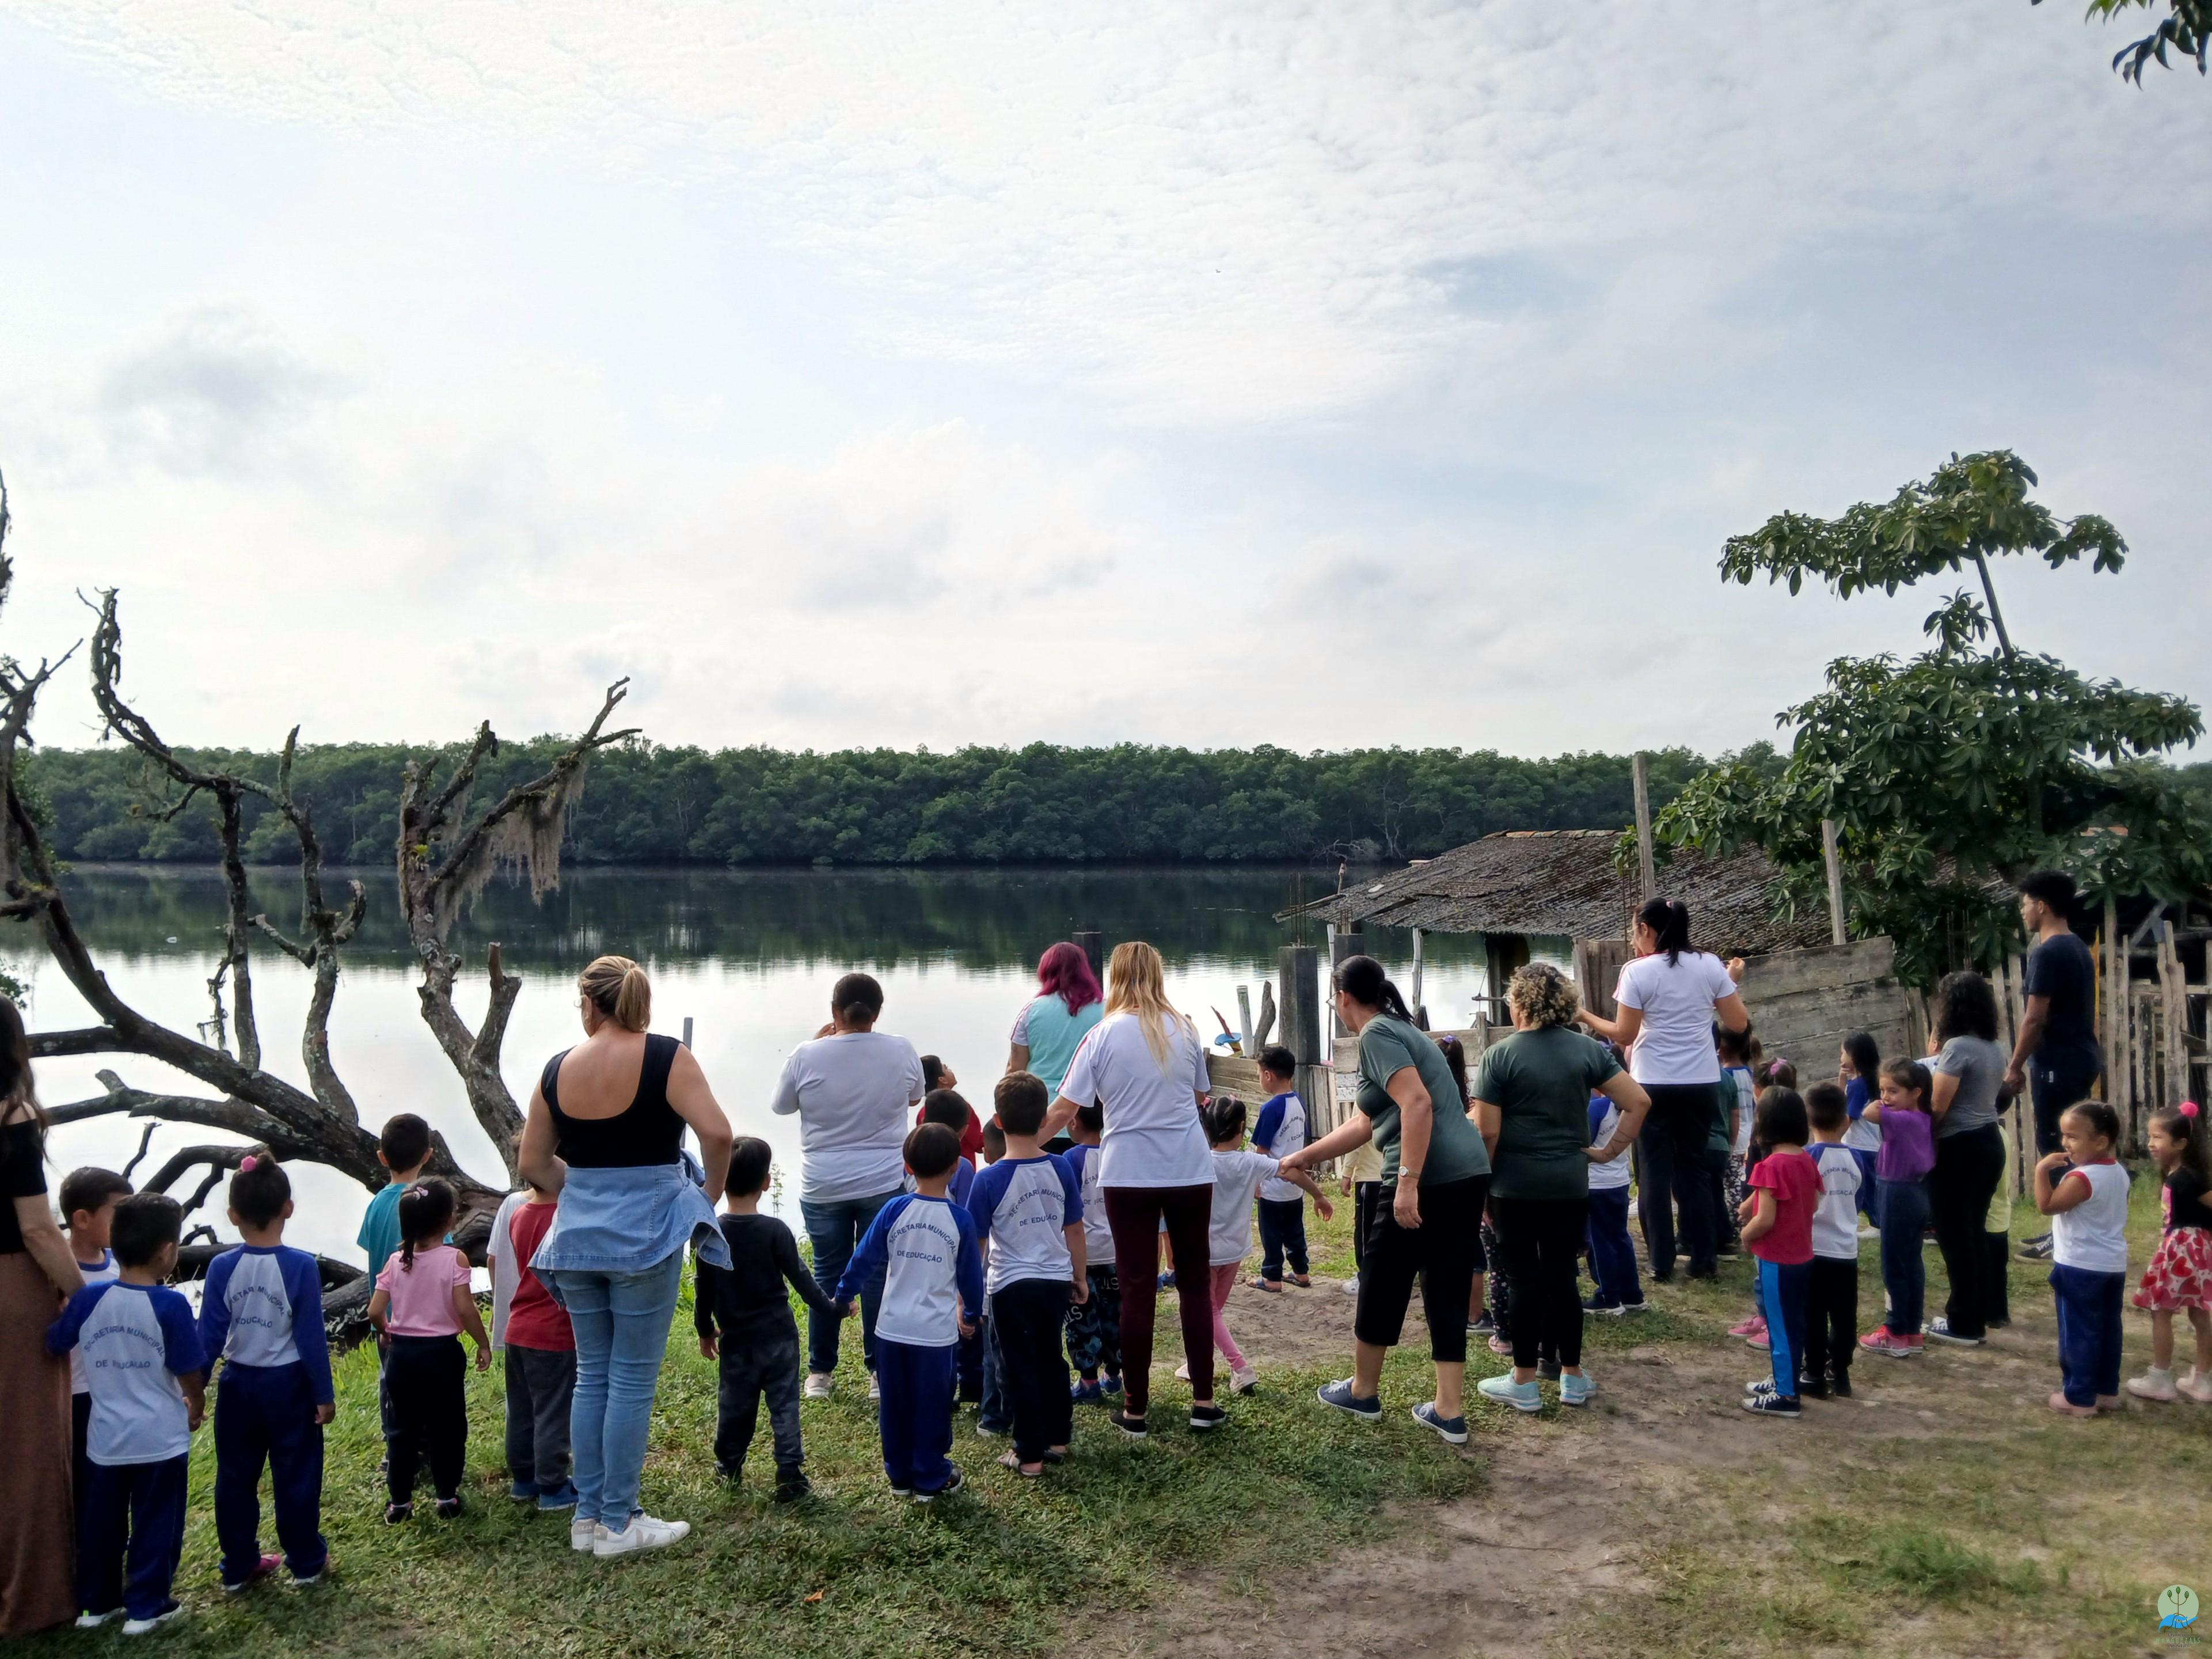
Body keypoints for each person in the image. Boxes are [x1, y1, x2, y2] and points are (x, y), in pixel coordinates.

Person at [522, 954, 732, 1559]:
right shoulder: (666, 1056)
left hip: (576, 1239)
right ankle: (620, 1522)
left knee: (593, 1374)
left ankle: (587, 1518)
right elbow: (717, 1134)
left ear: (590, 1003)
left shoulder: (556, 1069)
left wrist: (587, 1190)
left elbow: (533, 1164)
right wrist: (703, 1198)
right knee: (632, 1380)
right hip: (645, 1235)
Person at [1285, 955, 1495, 1441]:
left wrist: (1406, 1181)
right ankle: (1448, 1410)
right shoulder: (1403, 1029)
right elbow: (1366, 1121)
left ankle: (1362, 1391)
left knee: (1381, 1276)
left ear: (1342, 998)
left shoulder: (1376, 1034)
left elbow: (1416, 1103)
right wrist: (1304, 1155)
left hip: (1430, 1176)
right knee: (1446, 1282)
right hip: (1466, 1172)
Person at [1040, 940, 1218, 1440]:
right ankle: (1203, 1400)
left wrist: (1021, 1148)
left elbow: (1063, 1109)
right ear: (1157, 976)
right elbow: (1199, 1093)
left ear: (1115, 977)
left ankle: (1136, 1409)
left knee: (1137, 1289)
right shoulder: (1185, 1028)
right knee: (1195, 1284)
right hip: (1189, 1168)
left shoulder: (1101, 1036)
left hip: (1128, 1174)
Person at [1469, 964, 1651, 1418]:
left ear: (1522, 1002)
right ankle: (1572, 1376)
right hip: (1569, 1185)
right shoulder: (1587, 1050)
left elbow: (1488, 1134)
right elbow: (1639, 1101)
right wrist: (1609, 1152)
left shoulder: (1499, 1055)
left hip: (1513, 1187)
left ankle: (1524, 1382)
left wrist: (1482, 1190)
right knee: (1562, 1277)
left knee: (1522, 1281)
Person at [47, 1193, 204, 1636]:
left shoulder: (88, 1299)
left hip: (105, 1439)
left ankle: (96, 1603)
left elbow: (56, 1341)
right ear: (167, 1252)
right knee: (156, 1521)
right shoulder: (171, 1305)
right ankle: (146, 1605)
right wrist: (197, 1402)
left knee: (102, 1524)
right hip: (159, 1439)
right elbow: (188, 1369)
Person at [771, 971, 925, 1402]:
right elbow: (916, 1096)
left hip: (823, 1183)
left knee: (826, 1271)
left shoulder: (806, 1054)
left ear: (835, 1013)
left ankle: (820, 1373)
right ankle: (879, 1373)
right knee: (878, 1274)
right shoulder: (900, 1049)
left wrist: (816, 1044)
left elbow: (781, 1105)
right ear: (877, 1013)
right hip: (883, 1179)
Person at [1577, 898, 1750, 1282]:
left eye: (1633, 930)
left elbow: (1624, 1034)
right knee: (1696, 1169)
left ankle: (1661, 1260)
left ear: (1644, 928)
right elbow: (1737, 1022)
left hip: (1652, 1080)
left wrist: (1585, 1015)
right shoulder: (1708, 963)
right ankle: (1703, 1258)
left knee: (1654, 1170)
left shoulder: (1637, 971)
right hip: (1702, 1081)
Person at [199, 1153, 333, 1591]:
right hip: (289, 1385)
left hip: (237, 1384)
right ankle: (306, 1560)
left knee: (235, 1477)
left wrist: (196, 1389)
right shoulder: (299, 1266)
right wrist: (323, 1394)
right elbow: (311, 1337)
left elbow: (209, 1336)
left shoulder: (221, 1267)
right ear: (288, 1208)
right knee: (296, 1473)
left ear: (233, 1215)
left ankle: (238, 1565)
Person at [837, 1123, 983, 1502]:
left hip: (890, 1330)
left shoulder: (893, 1208)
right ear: (957, 1166)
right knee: (932, 1404)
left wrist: (844, 1293)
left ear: (907, 1165)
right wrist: (971, 1315)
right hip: (935, 1335)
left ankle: (899, 1474)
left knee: (895, 1404)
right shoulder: (960, 1220)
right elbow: (970, 1278)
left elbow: (863, 1257)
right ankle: (930, 1477)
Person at [0, 996, 85, 1641]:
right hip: (10, 1289)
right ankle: (30, 1602)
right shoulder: (13, 1115)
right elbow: (36, 1227)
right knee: (27, 1447)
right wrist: (83, 1294)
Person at [695, 1136, 831, 1501]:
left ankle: (729, 1465)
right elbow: (803, 1280)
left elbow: (703, 1288)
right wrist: (832, 1307)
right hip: (779, 1338)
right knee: (784, 1406)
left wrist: (706, 1330)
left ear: (722, 1180)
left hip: (736, 1340)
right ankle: (789, 1474)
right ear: (766, 1182)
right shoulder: (776, 1231)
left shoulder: (711, 1232)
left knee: (734, 1406)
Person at [969, 1073, 1086, 1474]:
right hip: (1055, 1279)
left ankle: (1028, 1453)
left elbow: (979, 1245)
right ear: (1043, 1121)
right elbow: (1074, 1228)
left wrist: (969, 1294)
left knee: (1016, 1365)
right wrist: (1080, 1276)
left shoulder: (987, 1178)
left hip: (1009, 1284)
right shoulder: (1061, 1167)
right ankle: (1058, 1438)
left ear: (998, 1122)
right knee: (1052, 1358)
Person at [368, 1179, 489, 1524]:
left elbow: (376, 1310)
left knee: (401, 1427)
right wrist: (482, 1342)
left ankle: (400, 1503)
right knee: (447, 1425)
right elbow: (465, 1310)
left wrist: (386, 1332)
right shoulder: (455, 1258)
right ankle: (446, 1496)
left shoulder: (395, 1261)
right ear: (449, 1221)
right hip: (441, 1354)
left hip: (402, 1356)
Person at [1195, 1094, 1331, 1394]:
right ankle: (1196, 1361)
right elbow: (1292, 1172)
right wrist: (1319, 1195)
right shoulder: (1252, 1162)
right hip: (1235, 1251)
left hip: (1203, 1253)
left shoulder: (1198, 1161)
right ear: (1243, 1127)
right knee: (1212, 1309)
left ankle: (1240, 1367)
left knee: (1207, 1311)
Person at [2006, 871, 2102, 1260]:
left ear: (2041, 905)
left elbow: (2034, 1018)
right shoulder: (2077, 945)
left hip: (2058, 1063)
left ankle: (2063, 1233)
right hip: (2080, 1057)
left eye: (2026, 902)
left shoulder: (2047, 951)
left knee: (2059, 1146)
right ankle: (2062, 1229)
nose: (2023, 910)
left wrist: (2015, 1066)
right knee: (2074, 1145)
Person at [1925, 971, 2010, 1347]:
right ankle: (1976, 1313)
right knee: (1974, 1232)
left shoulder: (1957, 1047)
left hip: (1960, 1146)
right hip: (1989, 1141)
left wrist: (1915, 1138)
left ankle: (1963, 1320)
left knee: (1955, 1235)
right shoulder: (1994, 1047)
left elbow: (1938, 1106)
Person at [2034, 1100, 2131, 1417]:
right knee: (2107, 1329)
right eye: (2064, 1135)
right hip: (2112, 1265)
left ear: (2100, 1142)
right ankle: (2105, 1390)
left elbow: (2048, 1205)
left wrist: (2041, 1171)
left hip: (2079, 1266)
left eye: (2073, 1137)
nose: (2065, 1143)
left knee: (2078, 1331)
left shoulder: (2082, 1178)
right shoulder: (2118, 1172)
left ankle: (2078, 1396)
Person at [59, 1167, 131, 1562]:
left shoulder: (120, 1264)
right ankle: (80, 1556)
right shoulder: (56, 1270)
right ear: (82, 1218)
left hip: (114, 1391)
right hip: (74, 1394)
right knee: (80, 1481)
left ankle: (111, 1549)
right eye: (118, 1211)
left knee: (113, 1479)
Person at [1738, 1088, 1823, 1419]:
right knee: (1793, 1324)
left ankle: (1786, 1395)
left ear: (1764, 1124)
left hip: (1776, 1260)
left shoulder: (1769, 1166)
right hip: (1802, 1256)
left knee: (1779, 1327)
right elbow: (1813, 1204)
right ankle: (1783, 1380)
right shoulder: (1806, 1160)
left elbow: (1765, 1220)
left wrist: (1746, 1235)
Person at [500, 1172, 577, 1512]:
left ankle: (523, 1479)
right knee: (552, 1412)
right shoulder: (567, 1215)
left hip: (518, 1325)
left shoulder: (519, 1213)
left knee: (522, 1410)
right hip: (554, 1329)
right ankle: (553, 1486)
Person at [2124, 1102, 2212, 1403]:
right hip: (2194, 1250)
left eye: (2158, 1137)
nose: (2150, 1143)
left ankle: (2161, 1377)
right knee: (2199, 1313)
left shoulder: (2187, 1179)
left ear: (2181, 1143)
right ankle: (2204, 1380)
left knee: (2160, 1310)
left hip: (2182, 1249)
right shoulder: (2182, 1175)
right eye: (2150, 1136)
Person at [358, 1113, 434, 1457]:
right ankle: (425, 1446)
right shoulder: (425, 1203)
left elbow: (371, 1251)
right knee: (426, 1386)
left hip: (386, 1316)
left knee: (391, 1382)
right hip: (426, 1319)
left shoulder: (375, 1205)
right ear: (428, 1155)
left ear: (382, 1157)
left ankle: (395, 1450)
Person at [1858, 1060, 1936, 1359]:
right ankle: (1912, 1330)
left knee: (1893, 1264)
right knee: (1911, 1262)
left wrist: (1880, 1103)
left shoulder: (1901, 1119)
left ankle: (1895, 1331)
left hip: (1897, 1191)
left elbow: (1869, 1113)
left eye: (1893, 1091)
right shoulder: (1924, 1119)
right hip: (1916, 1191)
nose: (1886, 1097)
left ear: (1916, 1092)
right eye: (1882, 1090)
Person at [1801, 1083, 1863, 1399]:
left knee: (1813, 1314)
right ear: (1846, 1120)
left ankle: (1813, 1372)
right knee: (1844, 1315)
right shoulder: (1856, 1159)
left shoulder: (1807, 1157)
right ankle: (1840, 1371)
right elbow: (1859, 1198)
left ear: (1808, 1121)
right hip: (1845, 1250)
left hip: (1813, 1249)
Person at [1061, 1103, 1122, 1404]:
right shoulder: (1119, 1154)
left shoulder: (1070, 1160)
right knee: (1116, 1316)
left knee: (1081, 1320)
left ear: (1073, 1122)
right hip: (1116, 1252)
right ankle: (1114, 1375)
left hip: (1082, 1257)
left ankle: (1088, 1382)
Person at [1007, 940, 1105, 1104]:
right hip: (1092, 1110)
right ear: (1085, 971)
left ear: (1046, 971)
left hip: (1040, 1109)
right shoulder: (1108, 1010)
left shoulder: (1030, 1012)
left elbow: (1015, 1071)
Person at [1250, 1045, 1313, 1290]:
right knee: (1295, 1232)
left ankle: (1272, 1277)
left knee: (1272, 1236)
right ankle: (1301, 1272)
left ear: (1268, 1075)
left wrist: (1255, 1183)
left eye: (1259, 1074)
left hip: (1273, 1188)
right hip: (1295, 1187)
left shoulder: (1271, 1108)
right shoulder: (1299, 1103)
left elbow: (1261, 1153)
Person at [1583, 1087, 1644, 1316]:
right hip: (1619, 1180)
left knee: (1600, 1241)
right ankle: (1632, 1294)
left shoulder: (1597, 1106)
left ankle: (1608, 1297)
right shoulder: (1631, 1108)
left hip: (1596, 1182)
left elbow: (1584, 1139)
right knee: (1620, 1237)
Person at [1839, 1031, 1884, 1227]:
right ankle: (1874, 1221)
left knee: (1866, 1188)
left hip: (1861, 1146)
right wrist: (1842, 1080)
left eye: (1843, 1053)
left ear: (1855, 1056)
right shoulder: (1862, 1080)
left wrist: (1832, 1140)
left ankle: (1878, 1223)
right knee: (1865, 1186)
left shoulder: (1859, 1085)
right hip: (1868, 1144)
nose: (1840, 1058)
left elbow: (1848, 1117)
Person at [915, 1091, 979, 1207]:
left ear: (923, 1122)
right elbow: (969, 1211)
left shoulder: (911, 1159)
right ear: (964, 1131)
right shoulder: (962, 1166)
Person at [1340, 1136, 1384, 1299]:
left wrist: (1346, 1174)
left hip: (1370, 1177)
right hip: (1392, 1173)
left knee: (1366, 1233)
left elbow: (1355, 1140)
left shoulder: (1361, 1109)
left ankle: (1365, 1278)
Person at [917, 1058, 983, 1164]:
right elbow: (977, 1142)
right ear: (942, 1080)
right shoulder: (960, 1107)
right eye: (946, 1068)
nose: (950, 1070)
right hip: (960, 1171)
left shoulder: (922, 1112)